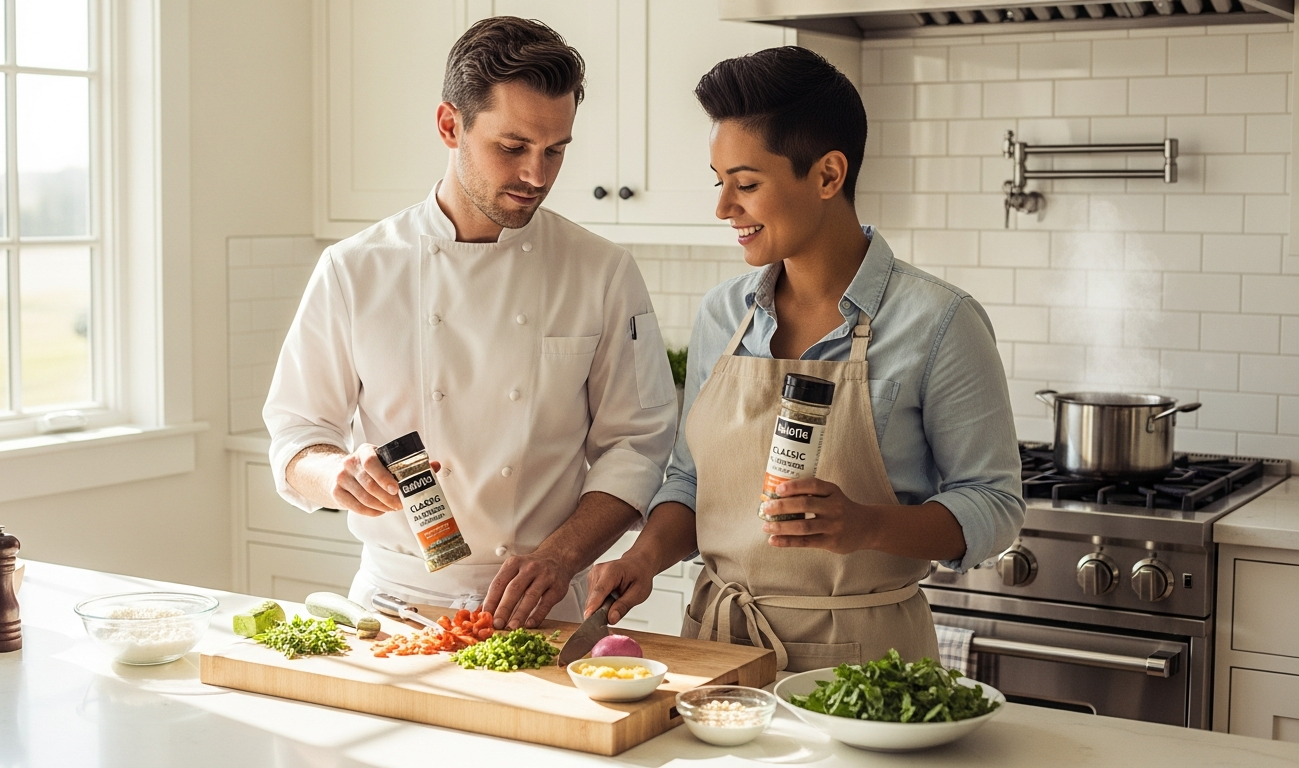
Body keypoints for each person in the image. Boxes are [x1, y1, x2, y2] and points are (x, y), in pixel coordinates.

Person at [586, 47, 1025, 672]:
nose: (723, 208)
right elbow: (691, 480)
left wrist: (867, 526)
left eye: (747, 184)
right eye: (720, 183)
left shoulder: (940, 321)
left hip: (866, 668)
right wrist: (641, 558)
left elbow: (995, 504)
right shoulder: (723, 314)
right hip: (715, 651)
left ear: (826, 176)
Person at [264, 17, 678, 630]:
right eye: (512, 148)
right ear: (450, 125)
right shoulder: (355, 270)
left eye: (556, 150)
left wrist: (561, 558)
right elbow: (297, 434)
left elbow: (636, 445)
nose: (537, 175)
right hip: (393, 605)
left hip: (540, 604)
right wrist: (338, 474)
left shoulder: (602, 273)